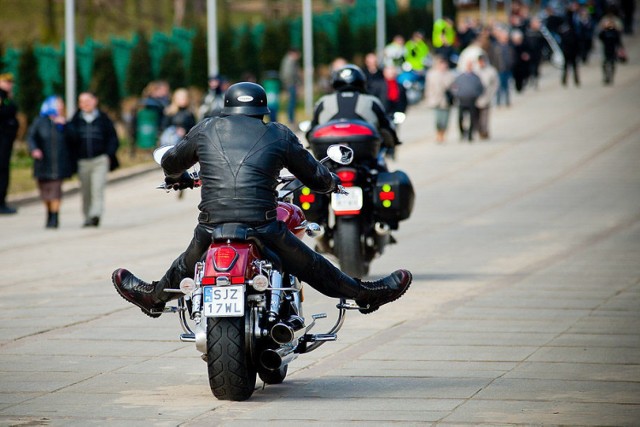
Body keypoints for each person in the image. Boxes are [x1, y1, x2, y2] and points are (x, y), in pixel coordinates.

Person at [111, 82, 412, 318]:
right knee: (314, 266)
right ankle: (365, 295)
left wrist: (177, 179)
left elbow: (172, 162)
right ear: (263, 109)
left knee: (183, 267)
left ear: (226, 107)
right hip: (263, 226)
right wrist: (332, 182)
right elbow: (316, 177)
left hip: (212, 226)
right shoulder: (278, 134)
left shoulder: (206, 129)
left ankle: (153, 299)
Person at [309, 64, 401, 158]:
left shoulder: (323, 101)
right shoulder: (372, 101)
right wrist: (393, 142)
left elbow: (312, 129)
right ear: (362, 82)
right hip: (364, 153)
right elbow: (386, 126)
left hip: (330, 153)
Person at [67, 92, 120, 227]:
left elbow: (113, 138)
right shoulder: (75, 120)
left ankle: (96, 214)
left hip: (100, 160)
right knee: (86, 191)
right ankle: (87, 216)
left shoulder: (103, 118)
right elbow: (70, 141)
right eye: (82, 101)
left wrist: (109, 154)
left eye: (88, 100)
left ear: (95, 101)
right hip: (82, 161)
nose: (85, 104)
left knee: (97, 188)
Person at [27, 96, 75, 229]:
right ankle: (49, 212)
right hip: (43, 163)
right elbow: (31, 137)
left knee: (55, 191)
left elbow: (74, 139)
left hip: (59, 164)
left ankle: (54, 217)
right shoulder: (40, 122)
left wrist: (64, 125)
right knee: (45, 193)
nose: (60, 107)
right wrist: (34, 149)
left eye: (61, 105)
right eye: (57, 104)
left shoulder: (64, 123)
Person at [450, 61, 484, 142]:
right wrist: (457, 95)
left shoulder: (476, 77)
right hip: (462, 100)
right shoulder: (460, 77)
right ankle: (462, 133)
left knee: (472, 118)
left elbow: (481, 88)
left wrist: (477, 95)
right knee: (461, 118)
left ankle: (470, 134)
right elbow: (453, 87)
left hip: (472, 100)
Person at [0, 72, 19, 215]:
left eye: (10, 82)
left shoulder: (6, 97)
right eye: (6, 82)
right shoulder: (2, 97)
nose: (9, 85)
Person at [425, 56, 455, 143]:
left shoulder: (450, 75)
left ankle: (443, 134)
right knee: (438, 119)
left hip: (446, 100)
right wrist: (428, 98)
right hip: (435, 99)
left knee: (445, 119)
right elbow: (429, 87)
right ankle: (438, 133)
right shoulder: (431, 74)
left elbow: (452, 87)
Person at [475, 54, 499, 140]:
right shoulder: (475, 70)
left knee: (485, 116)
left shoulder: (491, 71)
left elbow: (495, 84)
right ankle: (479, 130)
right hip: (475, 97)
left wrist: (491, 94)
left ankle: (484, 131)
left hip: (486, 96)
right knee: (476, 116)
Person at [598, 16, 624, 85]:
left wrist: (621, 50)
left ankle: (611, 77)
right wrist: (604, 28)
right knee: (604, 64)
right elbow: (600, 37)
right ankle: (606, 77)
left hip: (613, 50)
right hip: (605, 50)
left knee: (612, 64)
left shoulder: (615, 32)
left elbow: (618, 41)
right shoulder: (604, 32)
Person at [279, 48, 301, 126]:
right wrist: (294, 84)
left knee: (292, 102)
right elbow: (289, 74)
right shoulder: (289, 61)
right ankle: (291, 120)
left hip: (290, 84)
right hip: (291, 84)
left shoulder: (288, 61)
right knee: (291, 102)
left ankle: (291, 119)